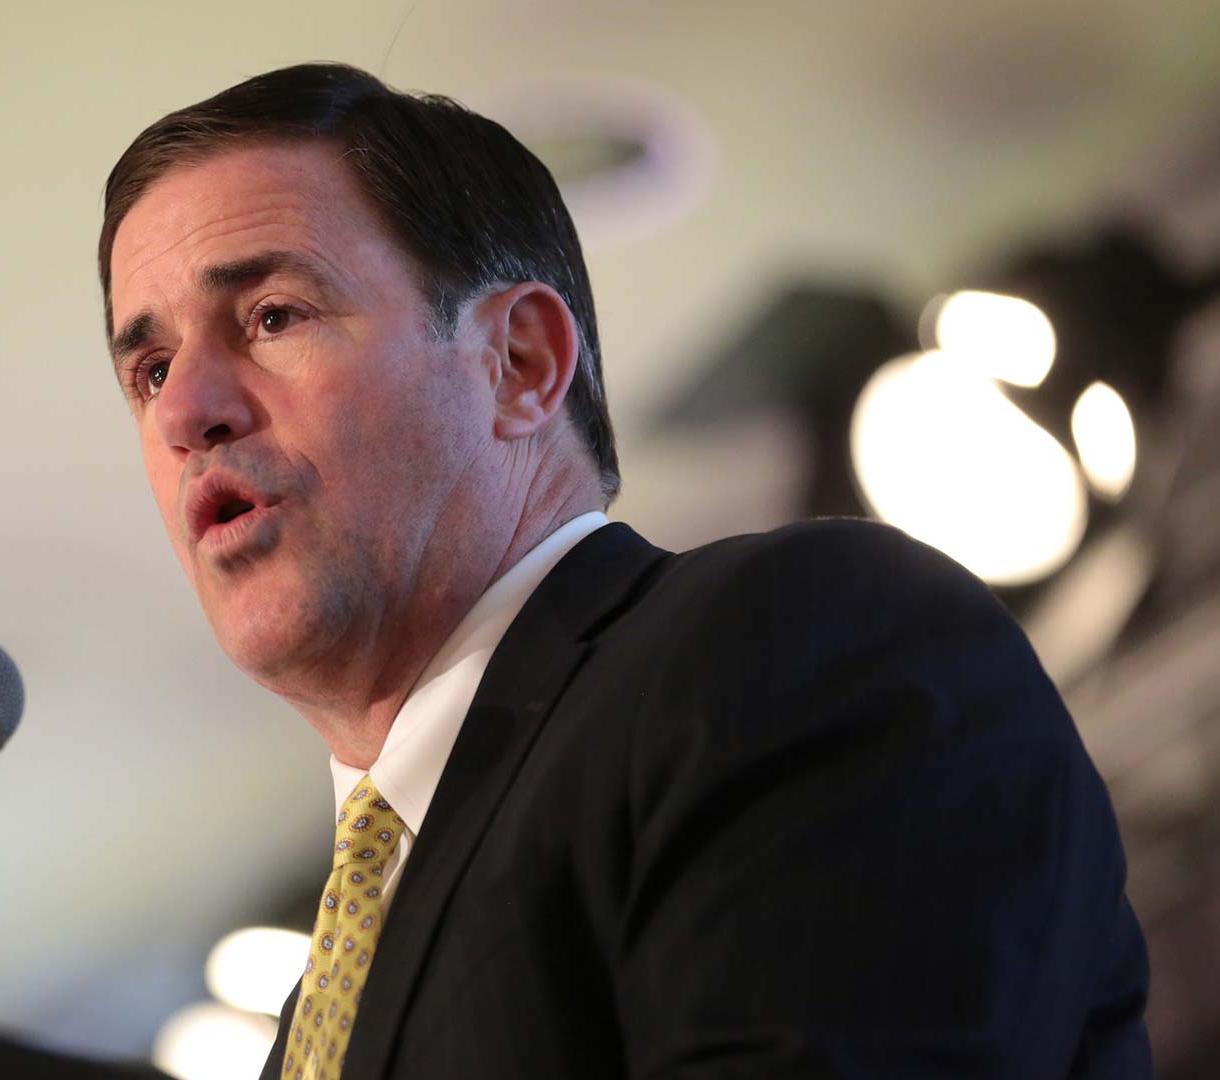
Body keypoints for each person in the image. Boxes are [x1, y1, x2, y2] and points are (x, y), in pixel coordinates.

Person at [97, 63, 1151, 1079]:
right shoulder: (305, 1019)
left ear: (518, 365)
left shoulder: (789, 648)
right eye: (149, 370)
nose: (186, 413)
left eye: (273, 315)